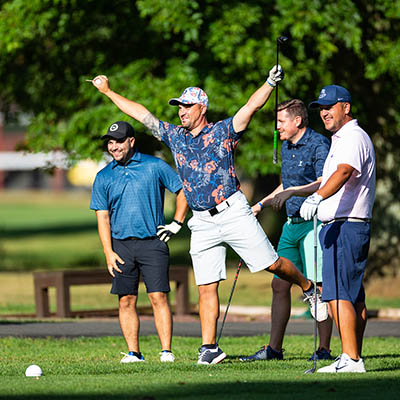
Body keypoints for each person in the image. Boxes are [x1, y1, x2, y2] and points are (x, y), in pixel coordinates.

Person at [89, 68, 328, 365]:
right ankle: (209, 347)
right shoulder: (175, 136)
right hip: (201, 220)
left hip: (232, 211)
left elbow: (251, 106)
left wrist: (268, 83)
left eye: (186, 106)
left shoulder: (223, 131)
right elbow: (142, 115)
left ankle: (307, 287)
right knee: (206, 285)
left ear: (202, 107)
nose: (181, 112)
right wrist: (109, 92)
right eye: (178, 107)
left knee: (271, 263)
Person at [241, 99, 333, 362]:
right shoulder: (286, 145)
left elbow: (323, 182)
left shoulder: (318, 144)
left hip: (313, 224)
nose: (277, 127)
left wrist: (293, 191)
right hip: (290, 225)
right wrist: (262, 203)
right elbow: (287, 184)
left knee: (318, 287)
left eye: (281, 122)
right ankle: (274, 350)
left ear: (298, 121)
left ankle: (324, 349)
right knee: (279, 285)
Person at [90, 121, 188, 364]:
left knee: (158, 297)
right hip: (121, 245)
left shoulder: (154, 166)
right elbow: (102, 217)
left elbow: (182, 190)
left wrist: (177, 222)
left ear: (131, 141)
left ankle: (166, 351)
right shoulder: (103, 176)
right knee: (126, 300)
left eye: (119, 141)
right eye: (110, 142)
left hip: (152, 243)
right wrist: (108, 252)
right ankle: (134, 353)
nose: (114, 147)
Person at [300, 85, 376, 373]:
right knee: (352, 294)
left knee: (339, 294)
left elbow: (344, 172)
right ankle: (351, 354)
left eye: (329, 106)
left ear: (346, 107)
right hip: (343, 226)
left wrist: (318, 197)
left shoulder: (352, 136)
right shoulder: (341, 138)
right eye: (321, 107)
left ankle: (351, 358)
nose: (324, 112)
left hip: (345, 225)